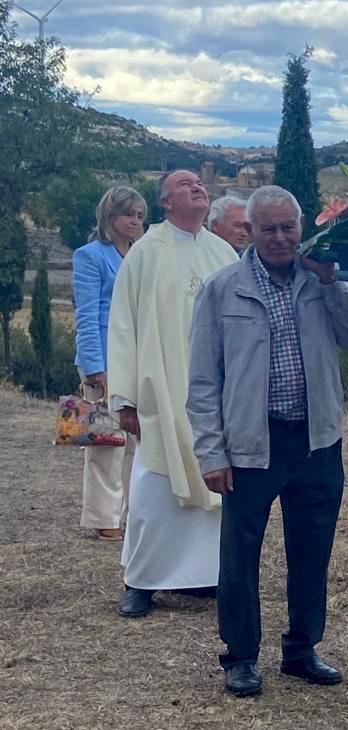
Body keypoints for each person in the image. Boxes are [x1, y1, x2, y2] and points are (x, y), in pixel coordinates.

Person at [187, 186, 348, 698]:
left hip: (316, 441)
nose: (279, 237)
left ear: (301, 227)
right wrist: (211, 452)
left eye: (287, 227)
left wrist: (333, 285)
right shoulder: (222, 289)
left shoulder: (320, 283)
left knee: (312, 551)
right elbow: (203, 381)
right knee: (240, 554)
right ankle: (241, 657)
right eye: (267, 228)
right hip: (251, 442)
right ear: (249, 231)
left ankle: (302, 649)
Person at [107, 170, 238, 616]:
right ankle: (140, 580)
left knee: (214, 485)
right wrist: (123, 398)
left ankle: (202, 577)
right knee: (154, 486)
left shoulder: (222, 252)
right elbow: (123, 324)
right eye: (185, 184)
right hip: (161, 389)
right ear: (165, 202)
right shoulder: (145, 253)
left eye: (200, 182)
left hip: (214, 395)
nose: (197, 187)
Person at [71, 184, 146, 540]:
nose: (135, 221)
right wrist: (93, 367)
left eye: (140, 215)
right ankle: (105, 518)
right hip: (103, 357)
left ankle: (135, 513)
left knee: (136, 441)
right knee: (105, 441)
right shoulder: (90, 256)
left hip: (139, 357)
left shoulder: (142, 253)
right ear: (110, 216)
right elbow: (85, 315)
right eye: (128, 214)